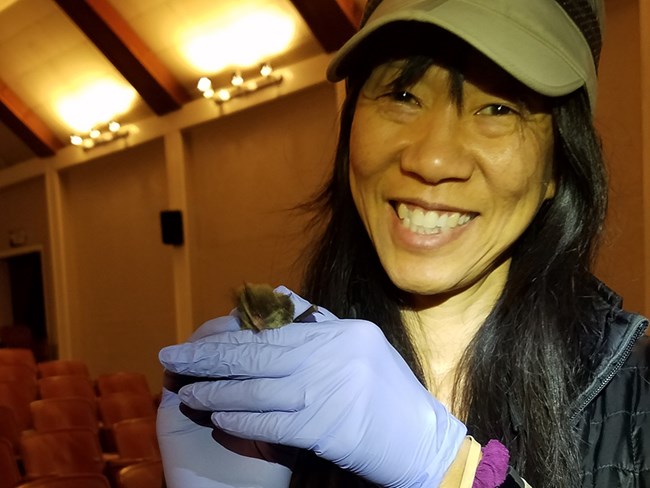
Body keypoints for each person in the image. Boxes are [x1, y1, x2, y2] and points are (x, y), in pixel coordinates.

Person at [156, 0, 650, 486]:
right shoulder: (280, 372)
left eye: (498, 108)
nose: (432, 160)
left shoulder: (638, 399)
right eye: (402, 95)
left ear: (558, 167)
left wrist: (457, 474)